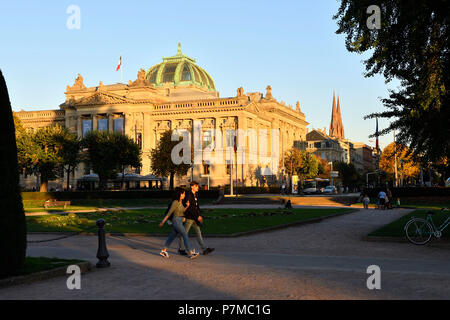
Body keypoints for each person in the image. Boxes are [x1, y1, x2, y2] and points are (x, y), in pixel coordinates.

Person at [159, 187, 199, 259]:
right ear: (179, 194)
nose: (184, 195)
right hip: (176, 221)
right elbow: (169, 213)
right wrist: (162, 222)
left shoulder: (180, 202)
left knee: (172, 236)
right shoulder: (175, 202)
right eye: (183, 194)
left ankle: (163, 251)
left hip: (179, 221)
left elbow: (182, 211)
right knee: (185, 235)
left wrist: (187, 206)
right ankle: (190, 253)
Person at [178, 181, 215, 256]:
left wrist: (199, 215)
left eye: (197, 186)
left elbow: (196, 207)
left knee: (198, 233)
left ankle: (204, 249)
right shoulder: (189, 195)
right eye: (196, 186)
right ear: (192, 187)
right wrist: (197, 216)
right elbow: (190, 208)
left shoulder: (195, 194)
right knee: (184, 233)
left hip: (194, 217)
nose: (198, 187)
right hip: (189, 217)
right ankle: (181, 249)